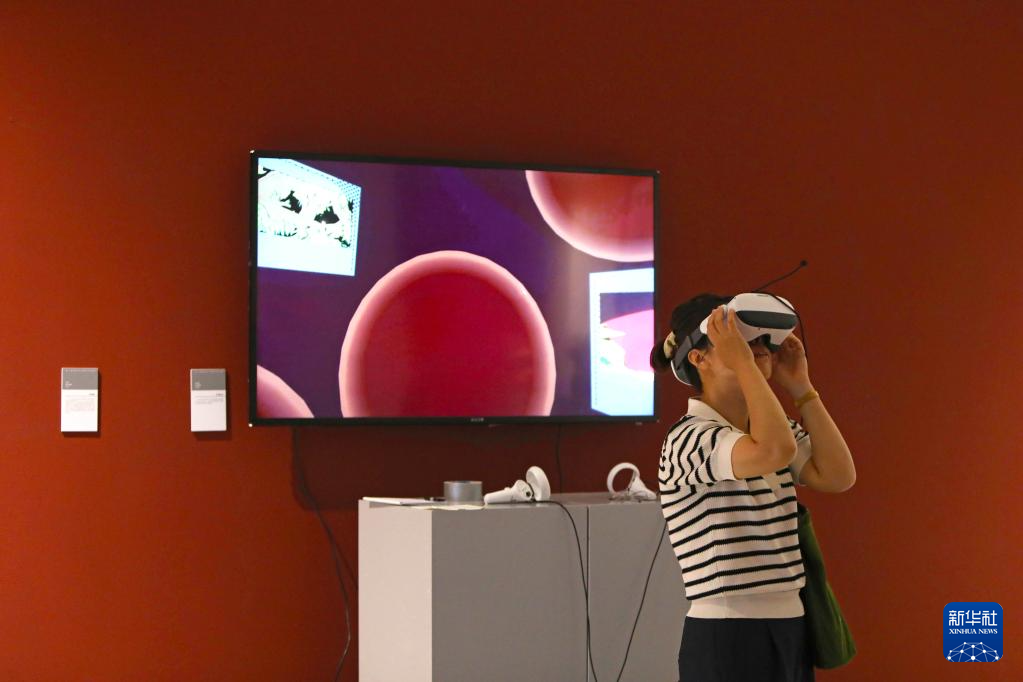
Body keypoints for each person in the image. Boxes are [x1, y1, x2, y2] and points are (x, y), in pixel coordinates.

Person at [650, 293, 856, 682]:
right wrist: (746, 365)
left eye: (762, 340)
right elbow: (773, 451)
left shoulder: (773, 431)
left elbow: (837, 475)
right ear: (699, 357)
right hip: (728, 630)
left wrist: (802, 388)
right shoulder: (688, 438)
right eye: (739, 339)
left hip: (791, 624)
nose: (758, 347)